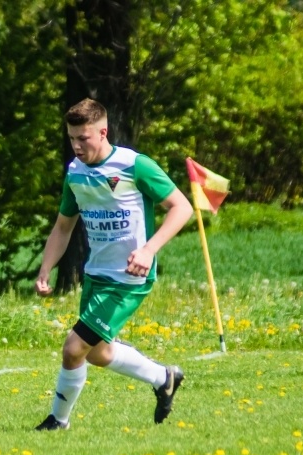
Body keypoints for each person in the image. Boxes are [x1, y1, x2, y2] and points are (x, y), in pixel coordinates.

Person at [34, 98, 193, 431]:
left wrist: (149, 250)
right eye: (72, 139)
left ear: (103, 131)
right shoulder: (75, 173)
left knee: (73, 347)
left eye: (84, 138)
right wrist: (46, 268)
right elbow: (64, 226)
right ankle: (163, 377)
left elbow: (182, 208)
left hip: (129, 277)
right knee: (97, 353)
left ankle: (57, 421)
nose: (76, 146)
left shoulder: (134, 165)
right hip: (96, 274)